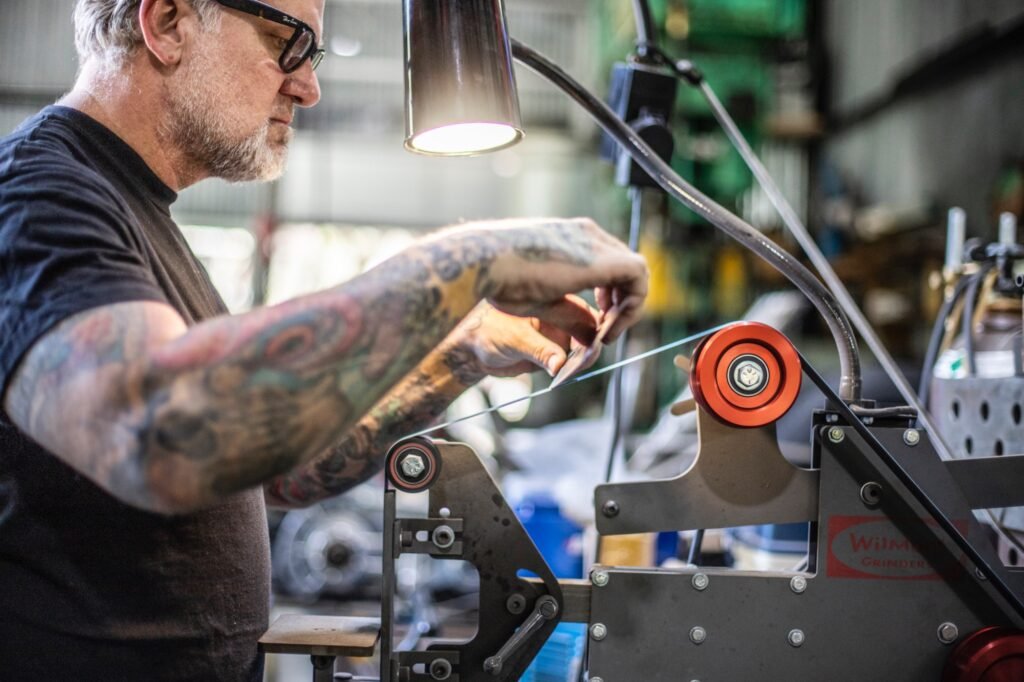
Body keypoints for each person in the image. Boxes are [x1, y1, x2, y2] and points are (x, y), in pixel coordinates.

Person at [0, 0, 648, 679]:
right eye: (288, 42)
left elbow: (272, 463)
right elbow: (161, 435)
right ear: (165, 23)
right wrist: (465, 261)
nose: (307, 86)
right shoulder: (38, 196)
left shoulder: (133, 216)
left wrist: (461, 348)